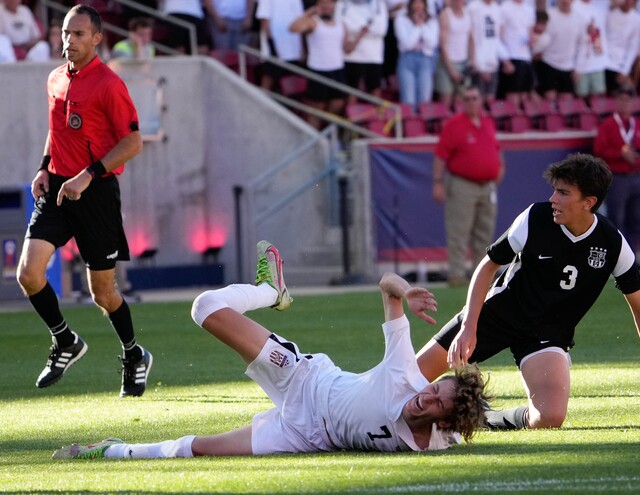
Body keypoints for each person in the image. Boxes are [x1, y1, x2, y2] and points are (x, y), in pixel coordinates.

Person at [52, 241, 489, 460]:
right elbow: (386, 286)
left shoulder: (437, 442)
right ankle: (269, 289)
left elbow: (481, 422)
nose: (426, 394)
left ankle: (110, 451)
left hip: (305, 438)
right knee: (205, 307)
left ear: (445, 419)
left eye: (437, 401)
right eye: (436, 387)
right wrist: (407, 289)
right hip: (303, 378)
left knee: (202, 450)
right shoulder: (404, 376)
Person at [416, 153, 640, 430]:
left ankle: (487, 419)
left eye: (563, 192)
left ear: (588, 202)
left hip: (547, 333)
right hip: (498, 314)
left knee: (549, 418)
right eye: (554, 189)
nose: (553, 198)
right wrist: (469, 326)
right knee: (407, 379)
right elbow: (487, 266)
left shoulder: (612, 243)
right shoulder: (535, 217)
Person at [15, 4, 152, 398]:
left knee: (102, 294)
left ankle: (133, 354)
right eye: (64, 33)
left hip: (96, 194)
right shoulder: (56, 78)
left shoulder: (109, 84)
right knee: (28, 273)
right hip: (58, 187)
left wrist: (87, 175)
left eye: (78, 34)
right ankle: (65, 341)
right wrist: (44, 167)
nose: (68, 41)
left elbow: (133, 142)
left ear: (97, 38)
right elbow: (56, 130)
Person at [432, 85, 506, 288]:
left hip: (487, 186)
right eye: (467, 99)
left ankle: (480, 275)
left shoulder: (487, 122)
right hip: (462, 183)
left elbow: (496, 149)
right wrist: (437, 182)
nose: (471, 102)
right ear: (461, 102)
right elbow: (440, 155)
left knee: (485, 232)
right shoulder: (454, 125)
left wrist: (499, 169)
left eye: (474, 98)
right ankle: (456, 274)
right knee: (459, 231)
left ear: (481, 100)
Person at [593, 85, 640, 258]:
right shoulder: (608, 125)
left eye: (628, 100)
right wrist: (620, 153)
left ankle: (631, 258)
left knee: (636, 220)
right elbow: (599, 151)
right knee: (616, 221)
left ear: (633, 103)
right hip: (617, 178)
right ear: (616, 102)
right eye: (622, 99)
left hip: (637, 178)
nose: (625, 103)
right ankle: (615, 259)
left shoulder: (637, 124)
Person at [290, 0, 348, 129]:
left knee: (337, 103)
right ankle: (313, 138)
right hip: (318, 69)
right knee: (317, 108)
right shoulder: (314, 22)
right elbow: (293, 28)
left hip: (337, 69)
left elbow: (346, 47)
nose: (326, 6)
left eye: (329, 3)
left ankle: (328, 134)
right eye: (323, 3)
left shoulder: (341, 24)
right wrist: (310, 12)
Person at [337, 0, 389, 104]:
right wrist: (364, 29)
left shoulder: (379, 4)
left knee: (375, 90)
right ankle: (352, 119)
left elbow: (381, 30)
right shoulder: (342, 4)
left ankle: (375, 119)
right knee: (351, 92)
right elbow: (340, 27)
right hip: (351, 56)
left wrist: (355, 31)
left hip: (373, 57)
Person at [534, 0, 587, 101]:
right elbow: (539, 37)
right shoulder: (549, 15)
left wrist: (579, 67)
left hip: (568, 66)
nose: (565, 1)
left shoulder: (579, 19)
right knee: (550, 98)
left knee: (567, 101)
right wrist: (536, 51)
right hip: (548, 63)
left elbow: (582, 44)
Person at [394, 0, 439, 112]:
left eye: (421, 3)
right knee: (408, 100)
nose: (418, 6)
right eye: (416, 3)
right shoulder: (401, 19)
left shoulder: (432, 21)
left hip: (425, 59)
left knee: (424, 99)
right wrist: (418, 26)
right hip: (407, 59)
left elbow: (432, 43)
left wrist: (422, 25)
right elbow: (407, 44)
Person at [256, 0, 304, 91]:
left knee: (290, 85)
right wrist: (272, 46)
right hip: (274, 49)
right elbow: (264, 21)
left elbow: (300, 21)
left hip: (293, 50)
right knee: (268, 80)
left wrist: (302, 49)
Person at [434, 0, 472, 109]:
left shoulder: (467, 14)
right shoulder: (446, 14)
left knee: (461, 100)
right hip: (448, 62)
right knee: (446, 99)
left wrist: (471, 60)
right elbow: (443, 45)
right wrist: (451, 70)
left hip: (463, 61)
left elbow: (471, 38)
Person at [604, 0, 640, 96]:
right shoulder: (608, 14)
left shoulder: (637, 19)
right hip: (604, 63)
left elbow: (633, 46)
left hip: (620, 66)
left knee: (627, 95)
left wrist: (625, 70)